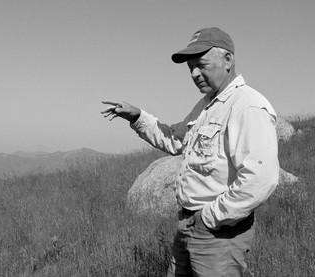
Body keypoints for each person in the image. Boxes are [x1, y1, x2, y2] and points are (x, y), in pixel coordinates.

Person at [101, 27, 279, 276]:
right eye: (190, 68)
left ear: (228, 60)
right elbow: (175, 140)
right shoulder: (206, 106)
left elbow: (260, 179)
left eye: (201, 65)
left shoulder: (247, 106)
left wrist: (210, 218)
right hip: (188, 225)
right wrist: (138, 117)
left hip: (218, 232)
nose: (194, 74)